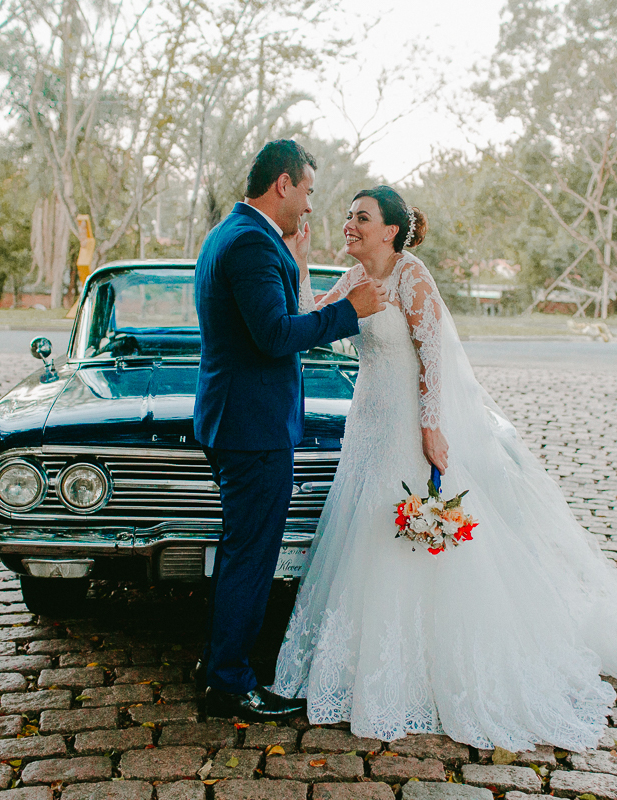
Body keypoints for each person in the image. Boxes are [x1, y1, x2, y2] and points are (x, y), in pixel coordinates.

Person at [271, 185, 617, 752]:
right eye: (348, 217)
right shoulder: (356, 281)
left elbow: (433, 353)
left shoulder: (411, 275)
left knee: (410, 537)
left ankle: (430, 670)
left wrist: (433, 428)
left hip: (408, 428)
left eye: (361, 218)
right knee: (365, 531)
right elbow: (311, 317)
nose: (349, 225)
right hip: (367, 424)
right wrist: (301, 263)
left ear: (390, 230)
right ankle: (360, 669)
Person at [193, 140, 383, 721]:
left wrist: (296, 263)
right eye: (305, 191)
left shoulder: (234, 234)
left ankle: (217, 662)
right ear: (282, 183)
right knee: (251, 556)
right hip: (252, 428)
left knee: (240, 551)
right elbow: (275, 335)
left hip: (237, 418)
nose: (307, 206)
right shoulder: (250, 243)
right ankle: (228, 683)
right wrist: (352, 309)